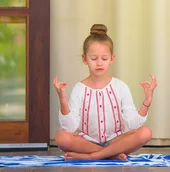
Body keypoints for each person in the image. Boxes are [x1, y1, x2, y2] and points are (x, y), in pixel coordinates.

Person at [53, 24, 158, 160]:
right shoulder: (79, 89)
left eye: (104, 58)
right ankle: (110, 154)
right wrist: (63, 100)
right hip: (87, 142)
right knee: (61, 137)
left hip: (116, 140)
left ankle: (92, 156)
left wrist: (147, 101)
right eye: (94, 58)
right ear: (84, 59)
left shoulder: (120, 87)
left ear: (112, 59)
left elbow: (133, 124)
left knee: (145, 132)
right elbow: (70, 127)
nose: (99, 63)